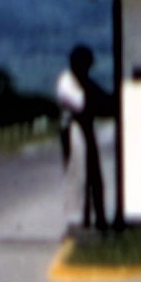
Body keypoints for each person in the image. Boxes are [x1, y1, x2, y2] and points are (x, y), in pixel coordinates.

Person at [53, 44, 104, 232]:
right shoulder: (66, 82)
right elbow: (84, 103)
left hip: (85, 127)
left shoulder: (82, 80)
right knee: (77, 172)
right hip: (72, 129)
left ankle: (96, 217)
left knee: (94, 174)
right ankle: (76, 219)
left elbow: (99, 98)